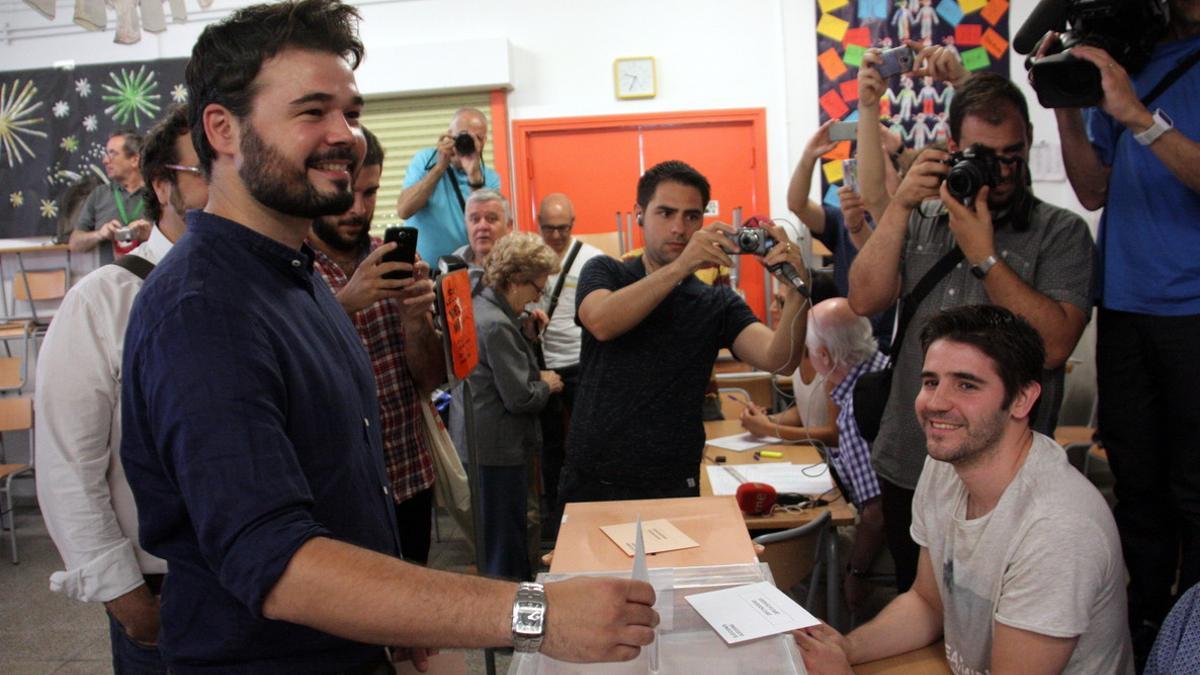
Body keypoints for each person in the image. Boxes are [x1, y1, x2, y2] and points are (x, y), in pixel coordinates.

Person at [119, 2, 656, 670]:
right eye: (312, 111)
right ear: (223, 130)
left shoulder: (300, 277)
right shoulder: (204, 310)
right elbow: (277, 561)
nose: (345, 134)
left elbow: (341, 494)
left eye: (350, 111)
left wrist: (405, 623)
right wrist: (532, 615)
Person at [848, 72, 1094, 594]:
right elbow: (864, 299)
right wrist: (900, 205)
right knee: (918, 601)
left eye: (1013, 155)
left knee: (996, 612)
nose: (1001, 171)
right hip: (911, 456)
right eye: (985, 155)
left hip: (1005, 478)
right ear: (954, 148)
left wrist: (984, 253)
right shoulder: (923, 217)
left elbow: (1055, 345)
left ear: (1028, 142)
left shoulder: (1061, 232)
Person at [794, 305, 1133, 675]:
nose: (936, 403)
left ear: (1022, 399)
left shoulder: (1059, 529)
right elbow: (927, 602)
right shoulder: (945, 468)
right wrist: (847, 648)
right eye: (930, 382)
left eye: (966, 384)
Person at [1047, 1, 1200, 659]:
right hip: (1126, 307)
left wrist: (1137, 114)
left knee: (1195, 490)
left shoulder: (1160, 77)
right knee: (1135, 485)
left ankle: (1188, 640)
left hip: (1192, 309)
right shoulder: (1129, 57)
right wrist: (1066, 107)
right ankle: (1146, 628)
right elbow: (1091, 188)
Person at [36, 104, 208, 673]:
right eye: (202, 169)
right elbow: (67, 463)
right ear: (162, 185)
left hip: (265, 577)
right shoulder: (103, 300)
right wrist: (126, 598)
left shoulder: (260, 291)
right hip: (163, 589)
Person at [558, 159, 811, 504]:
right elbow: (601, 322)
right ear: (640, 214)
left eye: (692, 216)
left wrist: (798, 293)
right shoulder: (605, 271)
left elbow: (779, 361)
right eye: (665, 213)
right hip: (595, 475)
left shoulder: (716, 302)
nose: (679, 228)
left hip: (673, 477)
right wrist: (683, 266)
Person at [309, 127, 444, 565]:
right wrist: (347, 301)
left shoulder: (395, 262)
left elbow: (429, 380)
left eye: (370, 193)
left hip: (408, 479)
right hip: (335, 496)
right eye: (346, 193)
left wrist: (416, 323)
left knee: (413, 622)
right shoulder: (286, 271)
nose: (358, 209)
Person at [739, 298, 888, 615]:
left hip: (887, 544)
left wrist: (856, 572)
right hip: (904, 530)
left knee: (804, 555)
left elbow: (876, 512)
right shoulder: (881, 370)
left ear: (823, 355)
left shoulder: (857, 405)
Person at [449, 232, 562, 581]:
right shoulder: (496, 325)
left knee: (496, 537)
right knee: (504, 545)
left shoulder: (478, 305)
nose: (537, 297)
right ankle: (510, 622)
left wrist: (525, 335)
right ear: (515, 281)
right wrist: (546, 383)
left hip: (479, 443)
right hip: (497, 449)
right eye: (536, 288)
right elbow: (520, 398)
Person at [787, 117, 900, 350]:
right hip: (849, 344)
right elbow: (797, 204)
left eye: (878, 156)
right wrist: (809, 155)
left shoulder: (908, 218)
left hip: (896, 340)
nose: (870, 164)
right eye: (863, 156)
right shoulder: (842, 218)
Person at [533, 193, 603, 522]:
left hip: (580, 361)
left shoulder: (593, 260)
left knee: (589, 438)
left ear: (573, 225)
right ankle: (553, 513)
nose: (557, 235)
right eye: (549, 228)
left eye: (563, 228)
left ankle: (590, 506)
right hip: (542, 362)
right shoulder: (529, 258)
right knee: (549, 443)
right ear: (539, 225)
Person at [396, 107, 500, 263]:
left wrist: (473, 175)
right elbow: (404, 210)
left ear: (484, 142)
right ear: (449, 135)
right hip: (421, 272)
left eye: (476, 138)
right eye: (462, 136)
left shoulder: (489, 178)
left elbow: (486, 225)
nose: (467, 143)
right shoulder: (425, 160)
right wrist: (439, 168)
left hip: (465, 273)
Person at [69, 128, 152, 263]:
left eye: (112, 154)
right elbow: (74, 244)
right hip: (111, 280)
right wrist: (100, 234)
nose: (105, 160)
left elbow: (178, 238)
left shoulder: (158, 192)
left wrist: (151, 234)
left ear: (134, 159)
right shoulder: (99, 194)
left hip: (152, 278)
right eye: (106, 154)